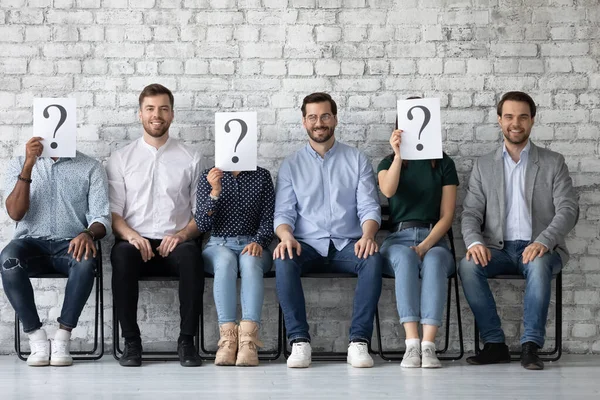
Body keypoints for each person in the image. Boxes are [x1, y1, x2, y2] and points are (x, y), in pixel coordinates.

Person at [459, 91, 578, 370]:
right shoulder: (483, 164)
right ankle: (494, 344)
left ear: (532, 121)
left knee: (537, 265)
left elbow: (568, 210)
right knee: (467, 266)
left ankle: (530, 346)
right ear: (500, 120)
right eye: (509, 116)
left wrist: (544, 241)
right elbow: (471, 213)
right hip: (497, 249)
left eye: (523, 117)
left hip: (541, 248)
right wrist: (474, 242)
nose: (516, 123)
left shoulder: (553, 162)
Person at [274, 92, 383, 369]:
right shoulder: (291, 165)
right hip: (305, 245)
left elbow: (369, 207)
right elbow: (284, 213)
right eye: (312, 117)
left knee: (372, 258)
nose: (318, 122)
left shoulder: (357, 160)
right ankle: (299, 341)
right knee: (282, 258)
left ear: (334, 118)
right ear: (304, 122)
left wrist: (368, 235)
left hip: (349, 244)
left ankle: (359, 342)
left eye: (324, 116)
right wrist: (286, 236)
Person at [107, 83, 204, 367]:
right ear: (140, 114)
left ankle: (187, 342)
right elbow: (113, 212)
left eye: (163, 109)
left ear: (172, 114)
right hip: (134, 241)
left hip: (176, 241)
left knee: (191, 256)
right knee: (122, 256)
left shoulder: (191, 157)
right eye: (150, 109)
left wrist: (183, 234)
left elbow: (201, 214)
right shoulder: (121, 158)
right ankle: (132, 343)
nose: (156, 115)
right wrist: (132, 236)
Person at [1, 137, 111, 367]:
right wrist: (29, 164)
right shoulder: (19, 163)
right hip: (30, 244)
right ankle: (36, 337)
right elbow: (15, 213)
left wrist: (88, 234)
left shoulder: (90, 166)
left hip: (70, 244)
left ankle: (63, 337)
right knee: (8, 260)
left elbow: (102, 217)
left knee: (85, 260)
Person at [378, 116, 459, 368]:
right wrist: (398, 155)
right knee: (405, 256)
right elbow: (388, 191)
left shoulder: (444, 163)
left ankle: (429, 345)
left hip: (435, 238)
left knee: (434, 260)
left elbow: (447, 216)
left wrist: (425, 246)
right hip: (398, 238)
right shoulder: (387, 162)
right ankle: (411, 343)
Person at [195, 166, 274, 366]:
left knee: (250, 261)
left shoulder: (261, 175)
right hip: (218, 244)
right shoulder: (208, 175)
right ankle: (228, 340)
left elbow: (269, 218)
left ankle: (248, 341)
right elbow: (202, 225)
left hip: (254, 243)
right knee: (225, 261)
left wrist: (259, 241)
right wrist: (215, 191)